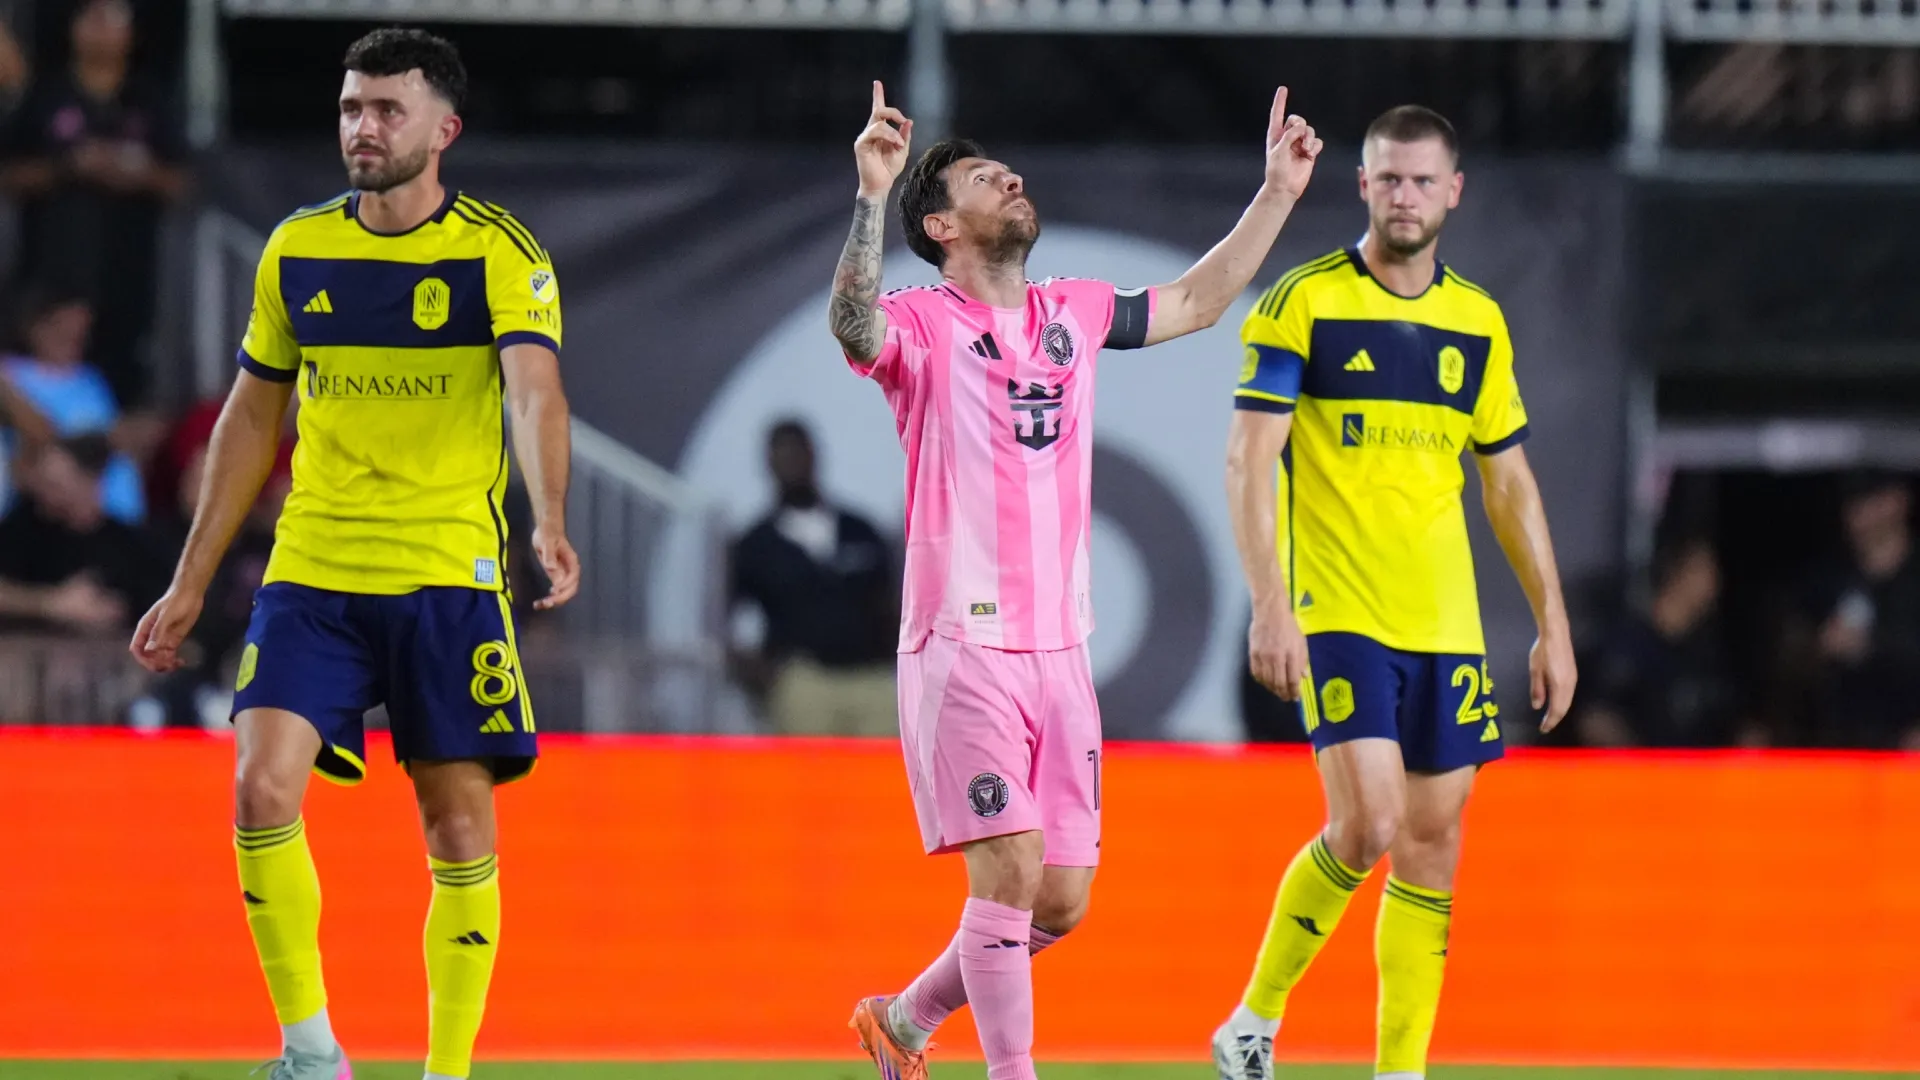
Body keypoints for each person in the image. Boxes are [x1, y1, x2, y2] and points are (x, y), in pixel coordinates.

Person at [831, 80, 1323, 1080]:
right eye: (981, 176)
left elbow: (1194, 300)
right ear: (941, 225)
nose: (1011, 176)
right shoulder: (921, 325)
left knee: (1059, 903)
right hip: (961, 644)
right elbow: (852, 325)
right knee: (1007, 876)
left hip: (1063, 650)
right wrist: (869, 197)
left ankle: (906, 1019)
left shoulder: (1076, 312)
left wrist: (1276, 193)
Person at [127, 29, 579, 1080]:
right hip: (315, 567)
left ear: (443, 130)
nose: (363, 127)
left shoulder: (498, 252)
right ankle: (311, 1052)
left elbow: (534, 391)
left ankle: (447, 1071)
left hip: (445, 571)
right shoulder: (299, 248)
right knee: (257, 791)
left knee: (459, 829)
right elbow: (250, 418)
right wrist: (191, 580)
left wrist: (545, 519)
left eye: (386, 109)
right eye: (350, 109)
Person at [1213, 106, 1578, 1080]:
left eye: (1423, 180)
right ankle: (1254, 1019)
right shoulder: (1305, 301)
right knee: (1368, 823)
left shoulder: (1478, 321)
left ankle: (1401, 1072)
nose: (1404, 195)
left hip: (1445, 625)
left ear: (1453, 191)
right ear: (1361, 185)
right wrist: (1269, 602)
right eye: (1387, 178)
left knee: (1431, 846)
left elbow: (1506, 481)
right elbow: (1251, 460)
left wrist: (1553, 625)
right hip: (1338, 612)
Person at [0, 0, 188, 409]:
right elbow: (9, 174)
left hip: (127, 276)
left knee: (123, 391)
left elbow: (182, 183)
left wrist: (137, 173)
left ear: (132, 33)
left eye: (114, 19)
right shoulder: (45, 94)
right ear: (74, 28)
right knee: (44, 390)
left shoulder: (149, 98)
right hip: (51, 275)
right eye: (93, 18)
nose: (102, 29)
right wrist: (68, 167)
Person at [729, 417, 898, 736]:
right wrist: (760, 675)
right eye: (782, 455)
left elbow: (891, 600)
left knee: (883, 774)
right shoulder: (755, 545)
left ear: (813, 455)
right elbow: (732, 620)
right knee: (809, 777)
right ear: (768, 465)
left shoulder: (860, 531)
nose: (791, 463)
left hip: (870, 678)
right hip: (804, 680)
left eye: (797, 453)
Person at [0, 286, 160, 523]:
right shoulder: (11, 375)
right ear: (36, 326)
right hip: (58, 517)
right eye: (62, 330)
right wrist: (100, 442)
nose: (73, 338)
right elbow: (42, 437)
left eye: (80, 334)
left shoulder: (91, 379)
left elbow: (124, 433)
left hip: (119, 517)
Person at [1571, 538, 1741, 748]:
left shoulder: (1703, 654)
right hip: (1636, 774)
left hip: (1692, 775)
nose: (1714, 584)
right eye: (1704, 572)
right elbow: (1595, 719)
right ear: (1679, 572)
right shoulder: (1627, 644)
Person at [1797, 471, 1920, 750]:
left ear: (1899, 501)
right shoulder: (1832, 577)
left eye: (1872, 501)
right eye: (1854, 504)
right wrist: (1817, 648)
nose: (1860, 515)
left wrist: (1871, 644)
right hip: (1844, 748)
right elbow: (1792, 658)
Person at [0, 434, 160, 632]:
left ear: (90, 481)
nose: (43, 492)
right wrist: (50, 603)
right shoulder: (21, 528)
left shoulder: (132, 544)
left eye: (55, 484)